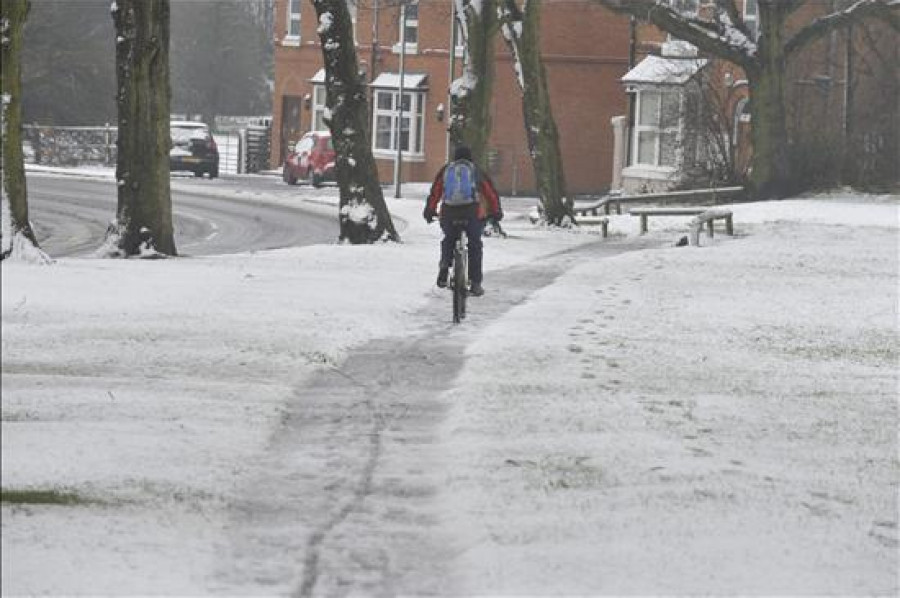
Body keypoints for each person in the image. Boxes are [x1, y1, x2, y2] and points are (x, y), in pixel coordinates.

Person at [423, 145, 503, 296]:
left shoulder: (446, 170)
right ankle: (476, 283)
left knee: (448, 239)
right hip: (471, 212)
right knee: (475, 245)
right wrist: (496, 212)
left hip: (449, 212)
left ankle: (445, 265)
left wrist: (430, 210)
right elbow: (490, 192)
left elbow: (435, 192)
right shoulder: (475, 171)